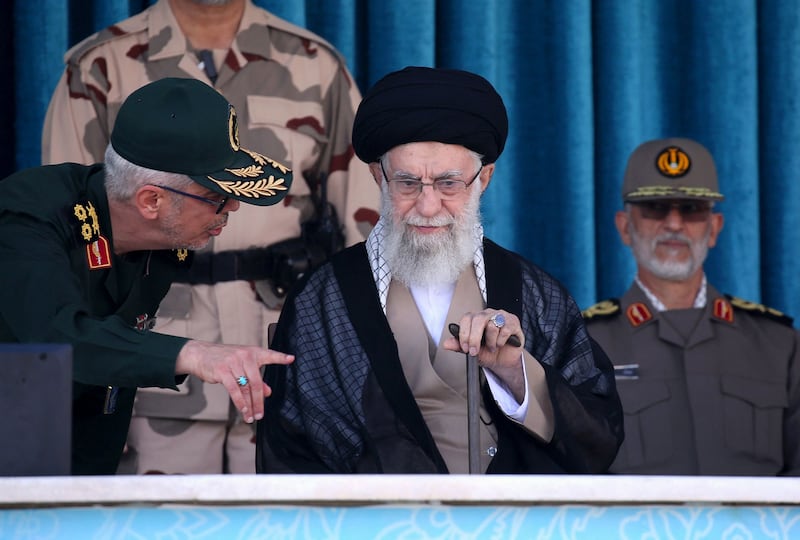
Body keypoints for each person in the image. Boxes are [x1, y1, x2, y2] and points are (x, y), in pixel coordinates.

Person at [41, 0, 379, 474]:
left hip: (282, 356)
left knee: (281, 524)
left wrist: (347, 363)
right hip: (150, 360)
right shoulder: (102, 65)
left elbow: (364, 226)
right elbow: (71, 232)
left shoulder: (314, 63)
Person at [256, 66, 624, 474]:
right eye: (408, 183)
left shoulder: (536, 293)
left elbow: (599, 435)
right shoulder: (322, 299)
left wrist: (515, 372)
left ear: (483, 178)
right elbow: (288, 450)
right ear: (379, 176)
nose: (428, 207)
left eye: (449, 184)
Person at [0, 77, 295, 475]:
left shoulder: (167, 239)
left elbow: (104, 380)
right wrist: (190, 353)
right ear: (151, 200)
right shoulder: (26, 219)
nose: (233, 208)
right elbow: (56, 341)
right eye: (216, 197)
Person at [583, 137, 800, 475]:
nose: (673, 224)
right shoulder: (587, 345)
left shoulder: (778, 345)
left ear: (714, 229)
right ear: (625, 228)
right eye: (655, 207)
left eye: (691, 209)